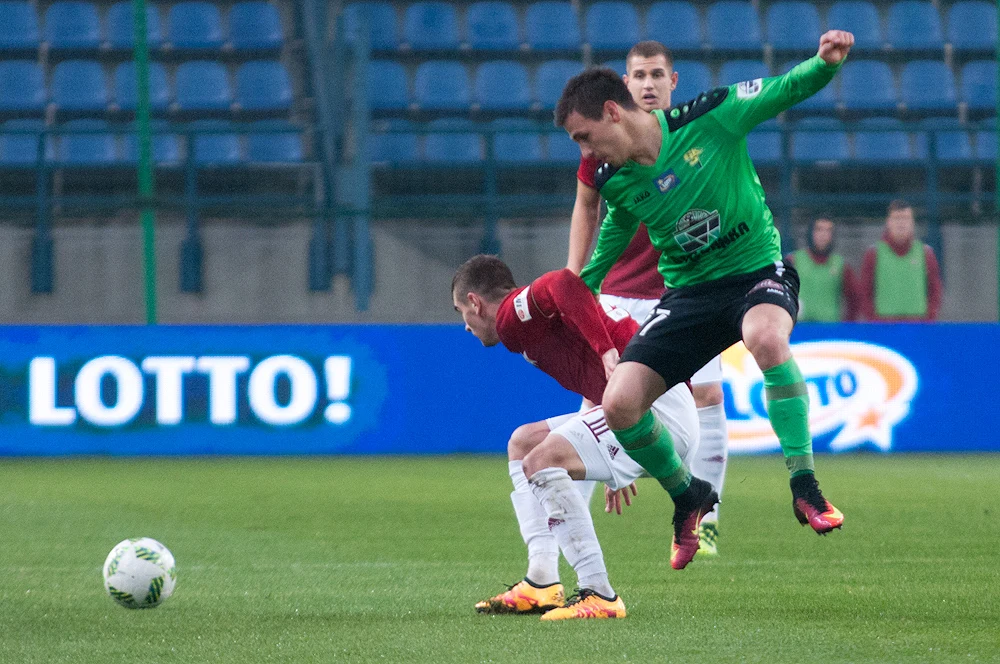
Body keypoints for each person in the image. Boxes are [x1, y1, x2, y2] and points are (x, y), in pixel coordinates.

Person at [555, 30, 856, 537]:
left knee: (765, 337)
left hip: (756, 273)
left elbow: (783, 89)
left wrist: (824, 64)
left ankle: (805, 486)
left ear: (611, 112)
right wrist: (574, 292)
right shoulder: (618, 180)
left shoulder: (710, 116)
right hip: (689, 297)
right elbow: (607, 241)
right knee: (620, 404)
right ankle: (689, 496)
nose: (584, 151)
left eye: (583, 137)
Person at [452, 255, 709, 621]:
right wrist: (597, 454)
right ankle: (541, 580)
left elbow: (564, 282)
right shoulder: (532, 322)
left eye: (460, 309)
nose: (465, 325)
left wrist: (606, 352)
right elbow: (592, 367)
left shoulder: (511, 314)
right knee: (524, 443)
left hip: (662, 412)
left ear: (475, 303)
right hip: (643, 408)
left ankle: (599, 592)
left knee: (540, 462)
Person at [567, 40, 730, 557]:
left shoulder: (691, 134)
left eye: (658, 74)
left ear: (673, 81)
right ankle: (572, 530)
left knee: (709, 399)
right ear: (625, 86)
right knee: (596, 402)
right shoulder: (603, 148)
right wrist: (575, 279)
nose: (649, 83)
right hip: (618, 293)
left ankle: (704, 526)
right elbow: (586, 209)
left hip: (685, 295)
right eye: (639, 75)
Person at [858, 200, 942, 321]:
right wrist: (874, 322)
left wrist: (928, 320)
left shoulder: (925, 253)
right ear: (888, 222)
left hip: (918, 329)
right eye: (897, 218)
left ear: (912, 223)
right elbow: (864, 293)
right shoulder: (874, 253)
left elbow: (935, 290)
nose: (901, 223)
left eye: (906, 218)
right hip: (884, 330)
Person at [785, 217, 859, 322]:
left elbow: (854, 299)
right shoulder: (793, 261)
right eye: (819, 229)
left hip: (830, 332)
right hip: (799, 330)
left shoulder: (841, 265)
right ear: (810, 232)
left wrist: (847, 326)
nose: (823, 235)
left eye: (828, 230)